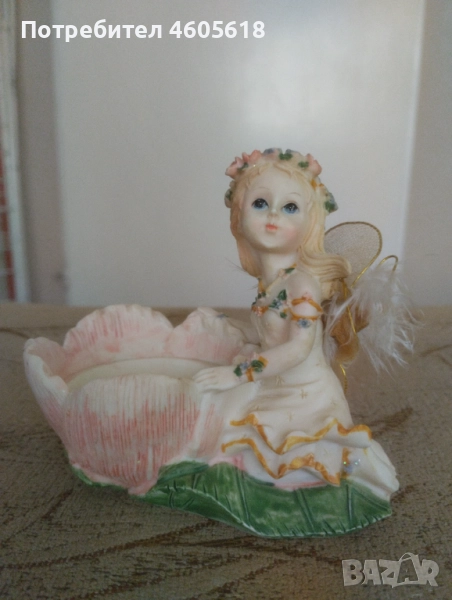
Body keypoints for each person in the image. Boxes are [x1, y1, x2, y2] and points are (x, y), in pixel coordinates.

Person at [194, 149, 398, 501]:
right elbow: (272, 336)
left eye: (290, 207)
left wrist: (238, 374)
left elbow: (298, 347)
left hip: (306, 398)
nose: (273, 215)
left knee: (233, 435)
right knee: (213, 412)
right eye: (260, 203)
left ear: (310, 222)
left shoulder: (302, 284)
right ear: (238, 216)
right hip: (275, 383)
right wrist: (231, 328)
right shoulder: (270, 282)